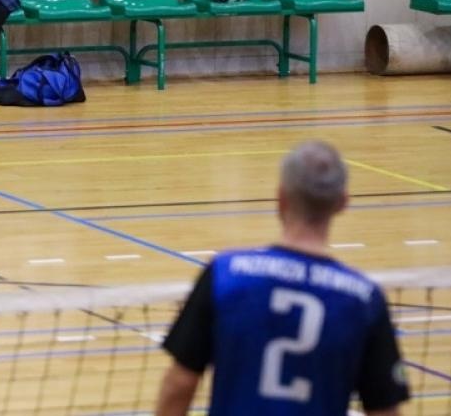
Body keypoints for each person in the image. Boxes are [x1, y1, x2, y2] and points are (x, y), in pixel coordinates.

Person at [155, 140, 408, 416]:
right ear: (342, 203)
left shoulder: (226, 275)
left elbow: (179, 385)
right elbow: (385, 411)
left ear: (281, 197)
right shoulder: (363, 299)